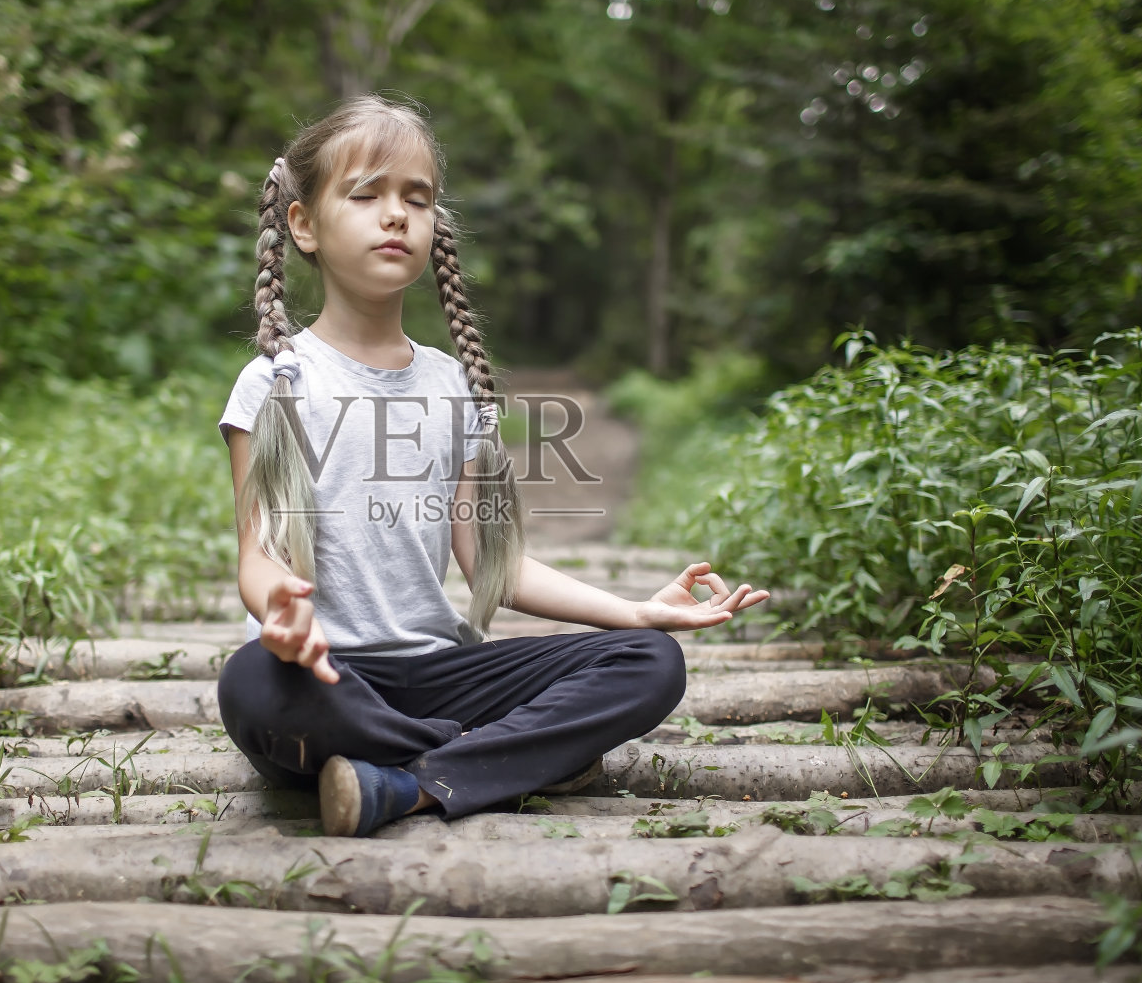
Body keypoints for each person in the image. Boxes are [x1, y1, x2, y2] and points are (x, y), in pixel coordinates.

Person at [216, 93, 768, 837]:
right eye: (366, 194)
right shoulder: (277, 382)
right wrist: (278, 611)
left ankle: (402, 783)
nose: (395, 215)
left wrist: (637, 610)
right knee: (250, 683)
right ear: (304, 225)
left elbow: (493, 567)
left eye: (417, 198)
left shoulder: (451, 383)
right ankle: (502, 759)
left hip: (441, 673)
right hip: (326, 676)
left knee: (650, 661)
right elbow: (259, 557)